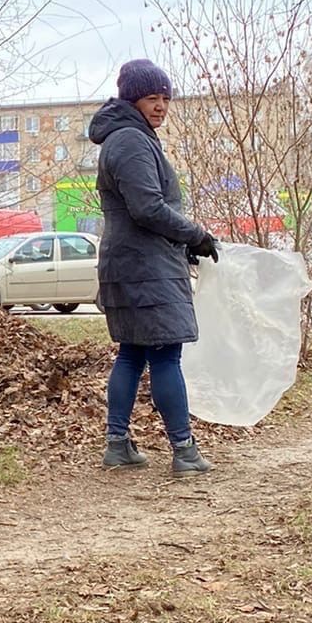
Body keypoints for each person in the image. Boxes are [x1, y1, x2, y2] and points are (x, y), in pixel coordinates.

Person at [88, 59, 218, 475]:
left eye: (166, 98)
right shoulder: (130, 140)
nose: (161, 106)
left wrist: (182, 244)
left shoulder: (128, 137)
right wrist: (194, 234)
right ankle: (184, 450)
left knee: (132, 354)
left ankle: (118, 445)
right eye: (152, 98)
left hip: (134, 265)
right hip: (145, 270)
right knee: (165, 355)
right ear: (132, 99)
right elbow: (148, 208)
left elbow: (141, 210)